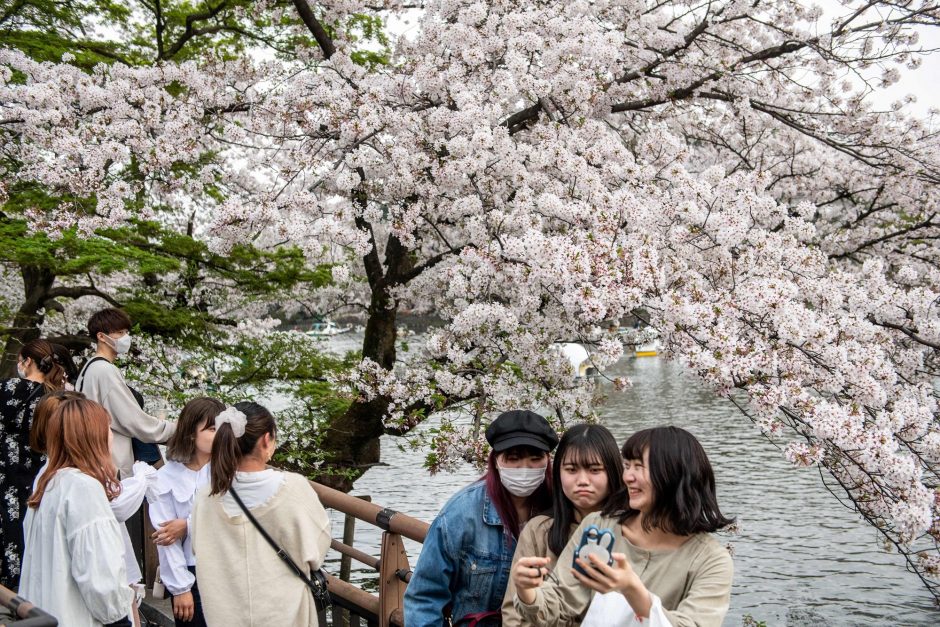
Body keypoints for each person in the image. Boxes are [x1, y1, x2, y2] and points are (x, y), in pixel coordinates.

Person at [512, 426, 735, 627]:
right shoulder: (598, 527)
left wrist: (633, 591)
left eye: (639, 467)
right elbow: (560, 603)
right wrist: (528, 592)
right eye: (627, 466)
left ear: (673, 474)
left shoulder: (711, 559)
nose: (627, 476)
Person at [404, 409, 559, 627]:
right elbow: (425, 596)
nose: (525, 468)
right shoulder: (461, 513)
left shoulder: (560, 509)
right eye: (513, 459)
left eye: (535, 459)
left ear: (548, 460)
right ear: (496, 460)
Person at [191, 402, 332, 626]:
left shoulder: (207, 495)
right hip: (284, 612)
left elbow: (197, 547)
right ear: (266, 440)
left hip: (226, 613)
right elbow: (317, 548)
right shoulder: (293, 488)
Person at [29, 390, 157, 627]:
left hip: (47, 610)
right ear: (93, 436)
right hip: (79, 617)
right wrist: (120, 620)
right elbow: (100, 575)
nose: (111, 437)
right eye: (108, 429)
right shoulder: (83, 488)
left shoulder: (48, 481)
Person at [502, 423, 625, 626]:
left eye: (594, 470)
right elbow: (513, 616)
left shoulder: (632, 528)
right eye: (571, 470)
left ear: (613, 472)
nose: (582, 480)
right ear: (558, 472)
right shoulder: (539, 530)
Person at [148, 397, 224, 627]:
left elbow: (233, 519)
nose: (219, 434)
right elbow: (166, 537)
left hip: (228, 569)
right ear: (191, 433)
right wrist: (181, 588)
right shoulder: (165, 477)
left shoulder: (228, 472)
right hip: (192, 571)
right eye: (211, 429)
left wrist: (188, 525)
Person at [75, 307, 175, 478]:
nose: (125, 337)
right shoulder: (105, 371)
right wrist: (173, 428)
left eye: (126, 332)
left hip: (92, 459)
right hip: (111, 462)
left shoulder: (89, 368)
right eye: (119, 332)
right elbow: (132, 420)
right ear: (101, 336)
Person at [0, 338, 67, 588]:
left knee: (9, 525)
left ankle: (10, 583)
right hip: (42, 471)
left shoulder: (8, 388)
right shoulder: (57, 397)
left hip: (6, 471)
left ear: (28, 362)